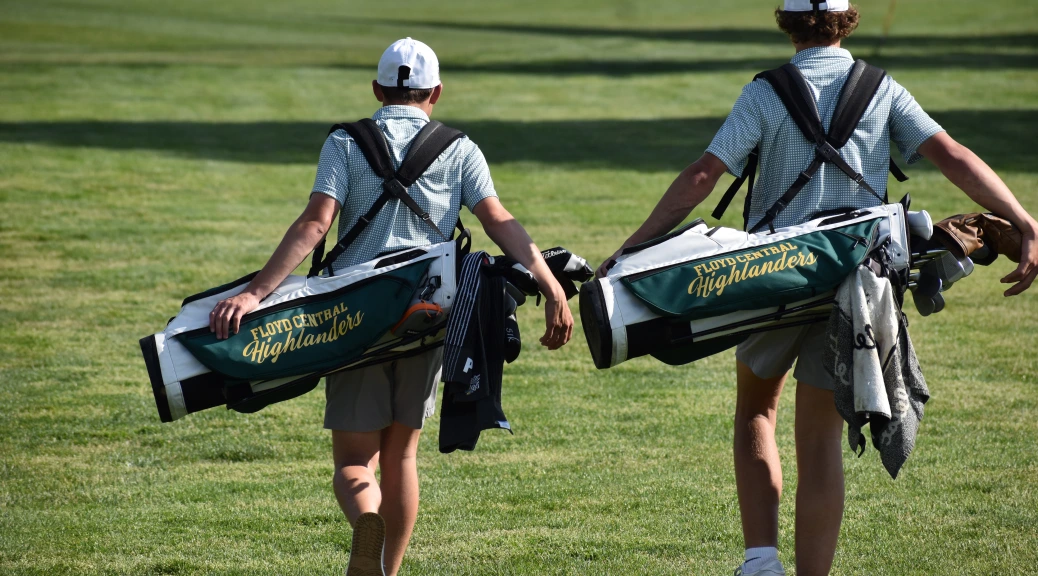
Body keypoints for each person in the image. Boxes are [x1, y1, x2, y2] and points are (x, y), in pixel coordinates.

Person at [595, 1, 1038, 574]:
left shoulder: (765, 92)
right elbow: (951, 156)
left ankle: (760, 562)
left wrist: (630, 249)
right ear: (847, 19)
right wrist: (1024, 221)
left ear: (787, 20)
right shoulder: (881, 89)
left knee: (757, 411)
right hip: (855, 285)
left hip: (766, 277)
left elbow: (704, 176)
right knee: (821, 439)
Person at [208, 37, 574, 576]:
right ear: (437, 93)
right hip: (427, 313)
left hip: (354, 315)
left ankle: (364, 524)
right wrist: (550, 282)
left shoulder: (345, 142)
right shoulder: (459, 147)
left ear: (377, 89)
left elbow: (315, 223)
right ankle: (387, 571)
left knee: (356, 460)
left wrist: (254, 293)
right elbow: (498, 220)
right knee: (402, 456)